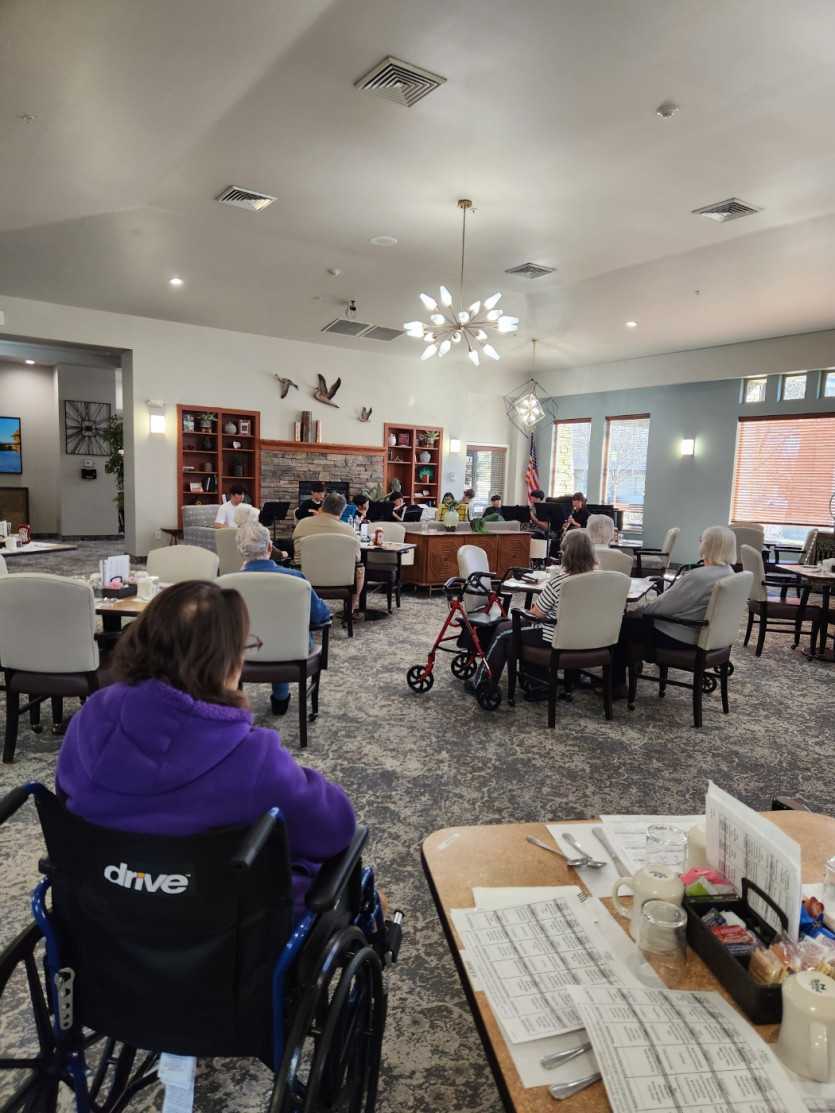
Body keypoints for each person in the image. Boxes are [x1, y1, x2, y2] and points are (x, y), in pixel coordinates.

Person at [54, 580, 357, 923]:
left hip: (105, 916)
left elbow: (67, 810)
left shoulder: (88, 720)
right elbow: (335, 829)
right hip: (222, 933)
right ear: (225, 663)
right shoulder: (252, 759)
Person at [465, 530, 598, 703]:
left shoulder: (560, 582)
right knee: (523, 630)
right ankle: (540, 683)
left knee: (503, 630)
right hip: (590, 635)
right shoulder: (601, 578)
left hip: (556, 634)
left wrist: (525, 612)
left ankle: (484, 684)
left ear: (566, 554)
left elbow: (537, 614)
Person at [608, 524, 736, 699]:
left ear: (707, 546)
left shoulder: (697, 578)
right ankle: (631, 666)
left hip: (680, 635)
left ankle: (616, 685)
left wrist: (634, 613)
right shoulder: (730, 573)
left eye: (701, 540)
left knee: (617, 626)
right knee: (630, 625)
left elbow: (660, 607)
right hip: (706, 635)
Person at [238, 519, 331, 715]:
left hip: (241, 651)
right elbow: (321, 616)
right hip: (291, 650)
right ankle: (280, 699)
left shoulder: (224, 583)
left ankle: (232, 705)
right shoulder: (296, 579)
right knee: (280, 634)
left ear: (239, 551)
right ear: (269, 547)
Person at [293, 492, 365, 618]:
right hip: (339, 578)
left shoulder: (302, 524)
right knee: (360, 568)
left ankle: (304, 612)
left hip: (305, 575)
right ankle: (350, 611)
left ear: (322, 507)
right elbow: (357, 559)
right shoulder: (348, 530)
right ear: (341, 511)